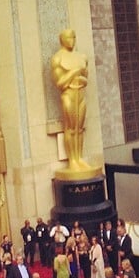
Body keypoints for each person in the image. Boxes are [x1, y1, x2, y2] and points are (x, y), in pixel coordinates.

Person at [50, 29, 95, 174]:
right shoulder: (58, 59)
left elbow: (85, 79)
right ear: (62, 39)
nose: (72, 40)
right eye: (69, 37)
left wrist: (79, 77)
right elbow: (60, 83)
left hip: (80, 94)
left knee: (79, 128)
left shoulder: (82, 57)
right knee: (70, 128)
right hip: (68, 95)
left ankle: (79, 158)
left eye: (74, 37)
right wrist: (75, 72)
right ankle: (73, 160)